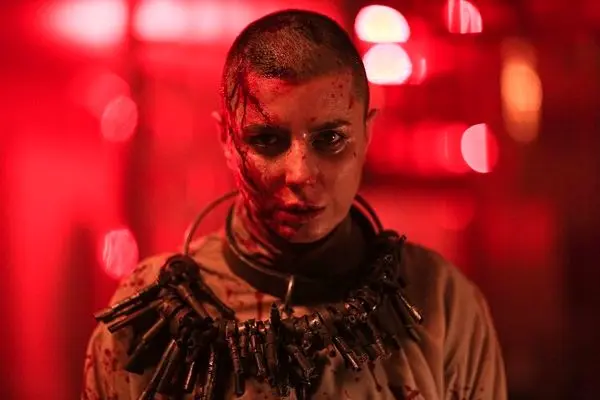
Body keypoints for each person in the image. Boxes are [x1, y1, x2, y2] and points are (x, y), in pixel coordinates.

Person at [82, 9, 507, 400]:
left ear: (366, 134)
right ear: (227, 140)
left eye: (331, 139)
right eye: (267, 140)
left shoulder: (442, 304)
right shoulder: (147, 317)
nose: (301, 174)